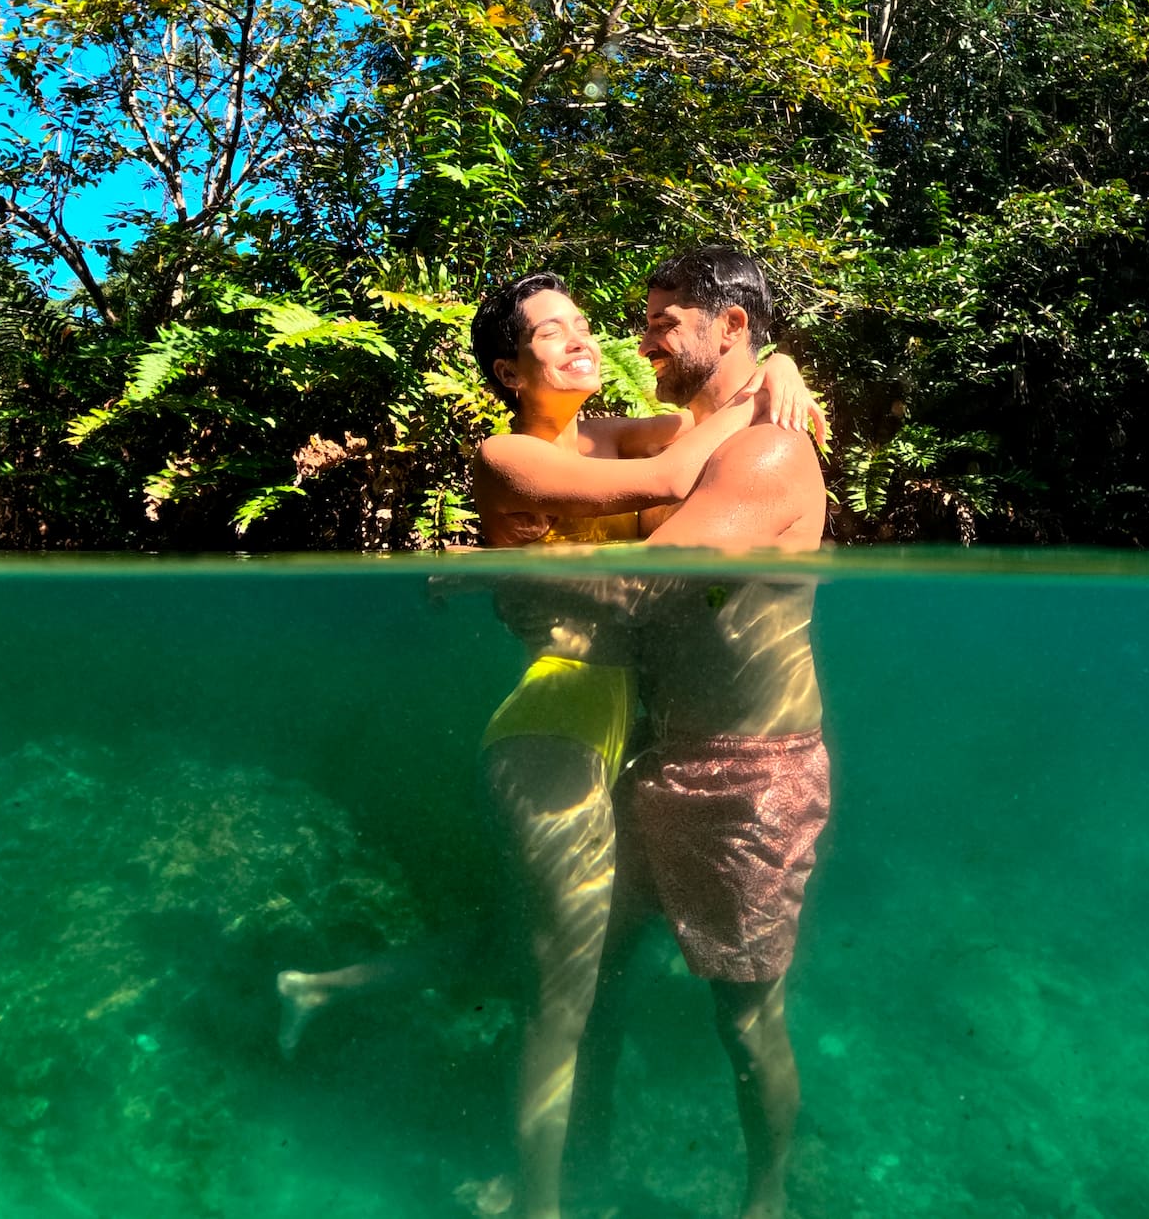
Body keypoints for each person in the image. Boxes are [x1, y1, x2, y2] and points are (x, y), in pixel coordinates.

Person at [276, 270, 820, 1219]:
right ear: (507, 370)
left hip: (643, 736)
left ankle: (322, 988)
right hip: (562, 717)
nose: (587, 342)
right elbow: (667, 482)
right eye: (553, 334)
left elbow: (700, 440)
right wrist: (763, 380)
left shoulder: (610, 431)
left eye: (586, 325)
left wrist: (781, 367)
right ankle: (536, 1205)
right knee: (559, 995)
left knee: (540, 958)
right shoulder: (507, 452)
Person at [569, 246, 829, 1219]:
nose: (643, 339)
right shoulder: (696, 432)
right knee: (591, 974)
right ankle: (576, 1170)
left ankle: (764, 1201)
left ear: (729, 326)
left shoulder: (764, 449)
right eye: (640, 321)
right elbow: (574, 441)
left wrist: (479, 574)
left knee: (744, 1017)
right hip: (661, 755)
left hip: (750, 780)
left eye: (663, 319)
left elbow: (640, 582)